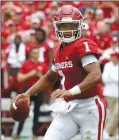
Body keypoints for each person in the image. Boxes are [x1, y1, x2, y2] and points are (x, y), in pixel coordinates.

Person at [12, 5, 106, 140]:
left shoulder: (83, 45)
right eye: (64, 26)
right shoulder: (58, 51)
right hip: (69, 109)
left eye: (71, 26)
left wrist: (70, 91)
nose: (68, 31)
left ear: (79, 26)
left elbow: (96, 75)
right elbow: (50, 77)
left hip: (90, 108)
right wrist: (28, 93)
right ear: (57, 27)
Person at [14, 46, 48, 138]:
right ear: (30, 54)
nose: (36, 55)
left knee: (37, 113)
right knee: (23, 111)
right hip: (27, 90)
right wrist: (31, 74)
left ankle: (35, 134)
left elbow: (47, 80)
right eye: (34, 53)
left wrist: (39, 74)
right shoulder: (25, 64)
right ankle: (18, 133)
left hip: (38, 90)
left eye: (37, 53)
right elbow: (19, 78)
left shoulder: (43, 65)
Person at [102, 52, 119, 139]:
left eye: (114, 57)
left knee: (117, 113)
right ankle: (116, 134)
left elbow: (113, 78)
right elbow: (104, 79)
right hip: (109, 93)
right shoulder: (107, 65)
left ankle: (107, 130)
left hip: (117, 94)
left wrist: (111, 77)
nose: (112, 59)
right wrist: (114, 78)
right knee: (113, 115)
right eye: (111, 57)